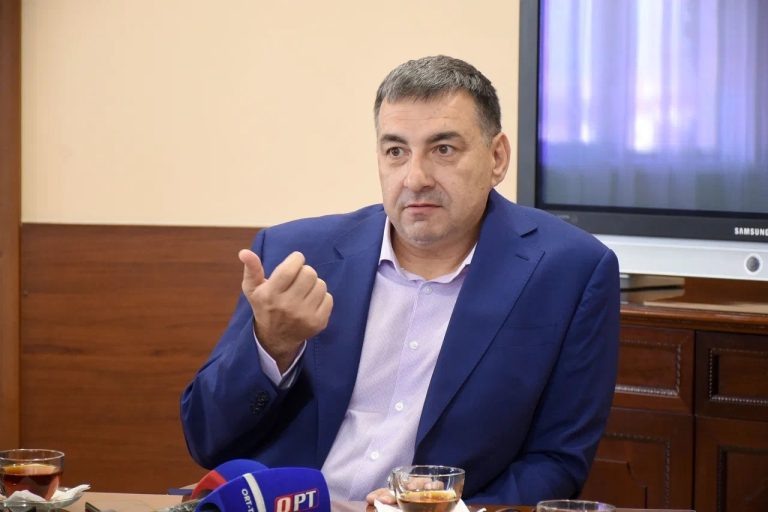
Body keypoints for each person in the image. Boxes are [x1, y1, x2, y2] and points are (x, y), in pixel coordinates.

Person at [180, 55, 620, 505]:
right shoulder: (296, 255)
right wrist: (272, 345)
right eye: (396, 151)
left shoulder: (570, 270)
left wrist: (449, 507)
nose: (415, 177)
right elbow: (206, 439)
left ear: (497, 158)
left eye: (443, 149)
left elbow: (557, 462)